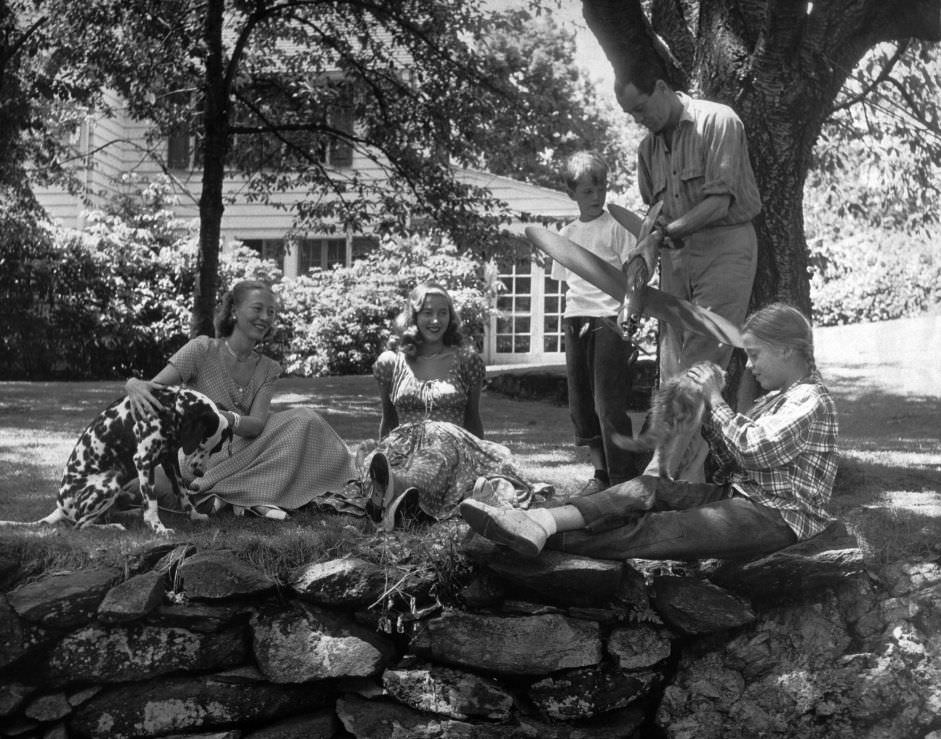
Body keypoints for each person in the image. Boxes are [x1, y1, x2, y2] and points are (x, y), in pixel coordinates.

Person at [460, 303, 838, 562]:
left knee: (659, 529)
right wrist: (703, 414)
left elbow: (756, 450)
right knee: (648, 488)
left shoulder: (810, 400)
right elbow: (733, 463)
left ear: (788, 350)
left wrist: (716, 399)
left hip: (778, 517)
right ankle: (541, 521)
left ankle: (528, 537)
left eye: (756, 354)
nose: (751, 365)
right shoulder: (778, 398)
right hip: (744, 498)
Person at [615, 68, 763, 481]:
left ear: (661, 87)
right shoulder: (648, 150)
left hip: (725, 245)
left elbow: (719, 203)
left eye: (641, 108)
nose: (639, 119)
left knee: (702, 361)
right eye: (631, 113)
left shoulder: (718, 121)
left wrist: (662, 235)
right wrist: (636, 283)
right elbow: (653, 217)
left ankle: (660, 475)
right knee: (672, 366)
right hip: (677, 257)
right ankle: (688, 479)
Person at [126, 279, 356, 519]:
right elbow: (155, 389)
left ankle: (349, 480)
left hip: (244, 444)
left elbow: (255, 424)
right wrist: (133, 384)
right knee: (293, 429)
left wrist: (223, 419)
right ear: (234, 311)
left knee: (305, 420)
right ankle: (233, 496)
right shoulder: (201, 349)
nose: (265, 317)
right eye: (257, 309)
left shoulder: (268, 368)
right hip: (200, 453)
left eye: (271, 312)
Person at [363, 282, 540, 529]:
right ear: (413, 315)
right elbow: (388, 417)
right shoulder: (390, 362)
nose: (435, 320)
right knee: (375, 460)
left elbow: (473, 417)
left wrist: (480, 458)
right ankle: (393, 494)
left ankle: (397, 491)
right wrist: (381, 451)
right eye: (427, 312)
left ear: (450, 316)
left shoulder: (466, 360)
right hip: (402, 442)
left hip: (449, 441)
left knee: (433, 459)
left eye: (442, 312)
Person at [551, 150, 644, 497]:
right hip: (575, 318)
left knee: (608, 402)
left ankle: (623, 477)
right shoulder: (566, 233)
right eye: (588, 191)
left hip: (609, 319)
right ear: (572, 194)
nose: (597, 196)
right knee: (582, 403)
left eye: (601, 188)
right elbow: (567, 279)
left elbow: (634, 277)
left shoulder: (617, 227)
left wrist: (628, 314)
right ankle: (601, 473)